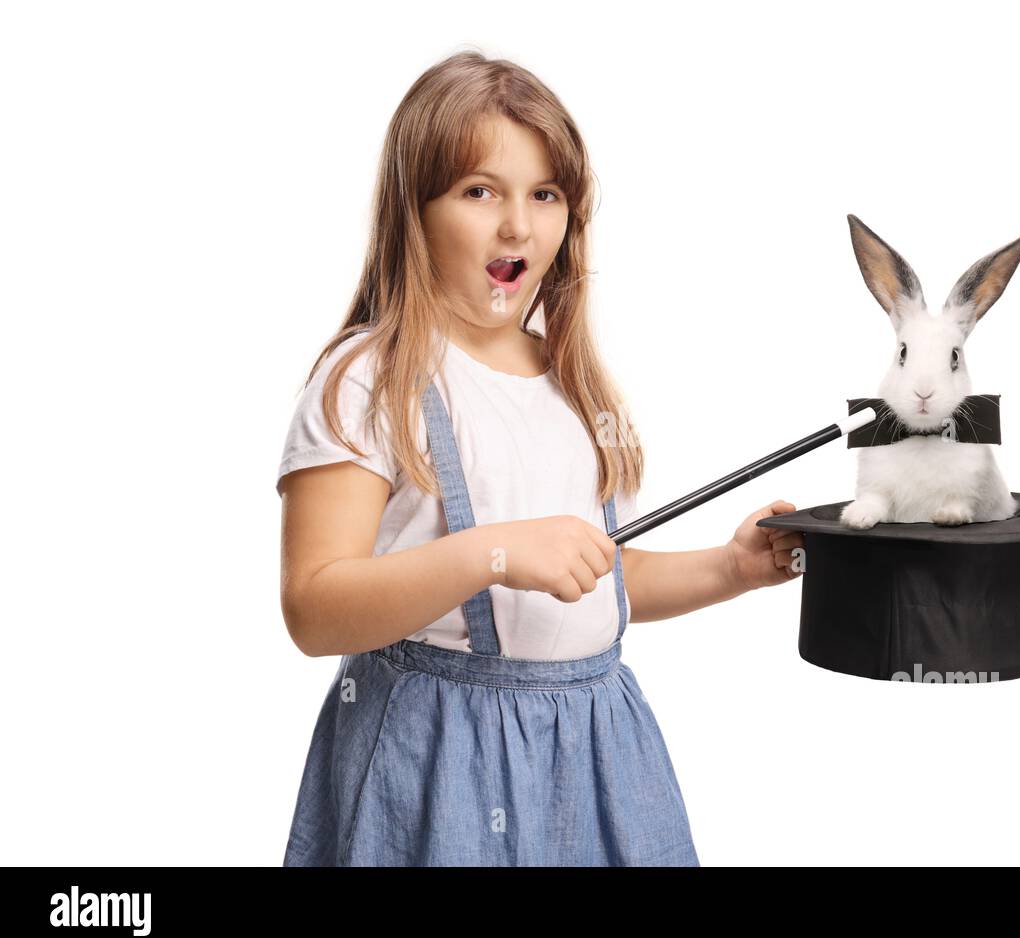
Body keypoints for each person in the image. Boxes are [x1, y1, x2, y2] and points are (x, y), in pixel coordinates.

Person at [276, 50, 804, 866]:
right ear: (414, 210)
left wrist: (729, 569)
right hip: (440, 758)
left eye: (545, 194)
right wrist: (492, 553)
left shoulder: (572, 385)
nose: (518, 225)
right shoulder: (368, 379)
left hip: (596, 751)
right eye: (480, 191)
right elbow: (314, 608)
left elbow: (589, 580)